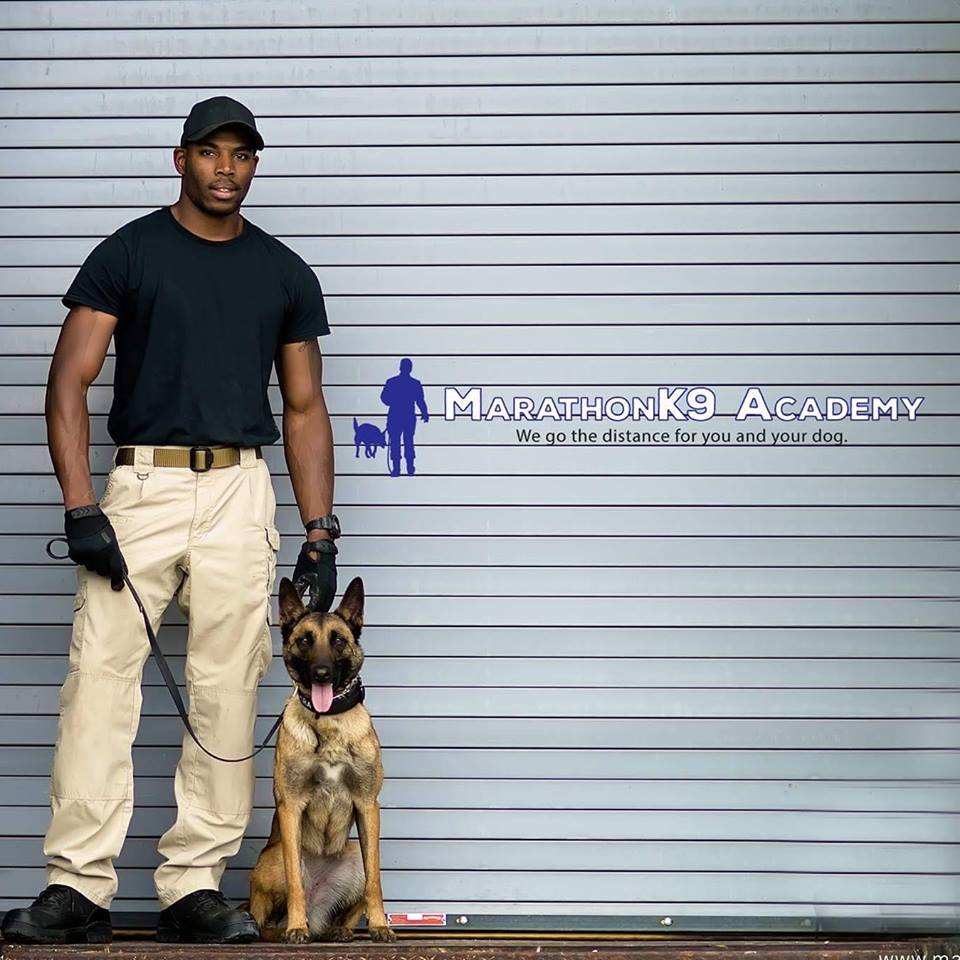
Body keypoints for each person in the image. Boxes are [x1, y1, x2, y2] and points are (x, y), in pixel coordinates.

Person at [1, 96, 342, 945]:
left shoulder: (284, 272)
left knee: (228, 688)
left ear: (255, 165)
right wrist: (81, 506)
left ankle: (194, 886)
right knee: (98, 681)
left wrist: (319, 530)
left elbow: (305, 407)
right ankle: (77, 887)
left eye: (242, 154)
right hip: (142, 486)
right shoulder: (130, 253)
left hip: (240, 490)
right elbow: (69, 379)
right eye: (211, 152)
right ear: (181, 159)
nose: (227, 168)